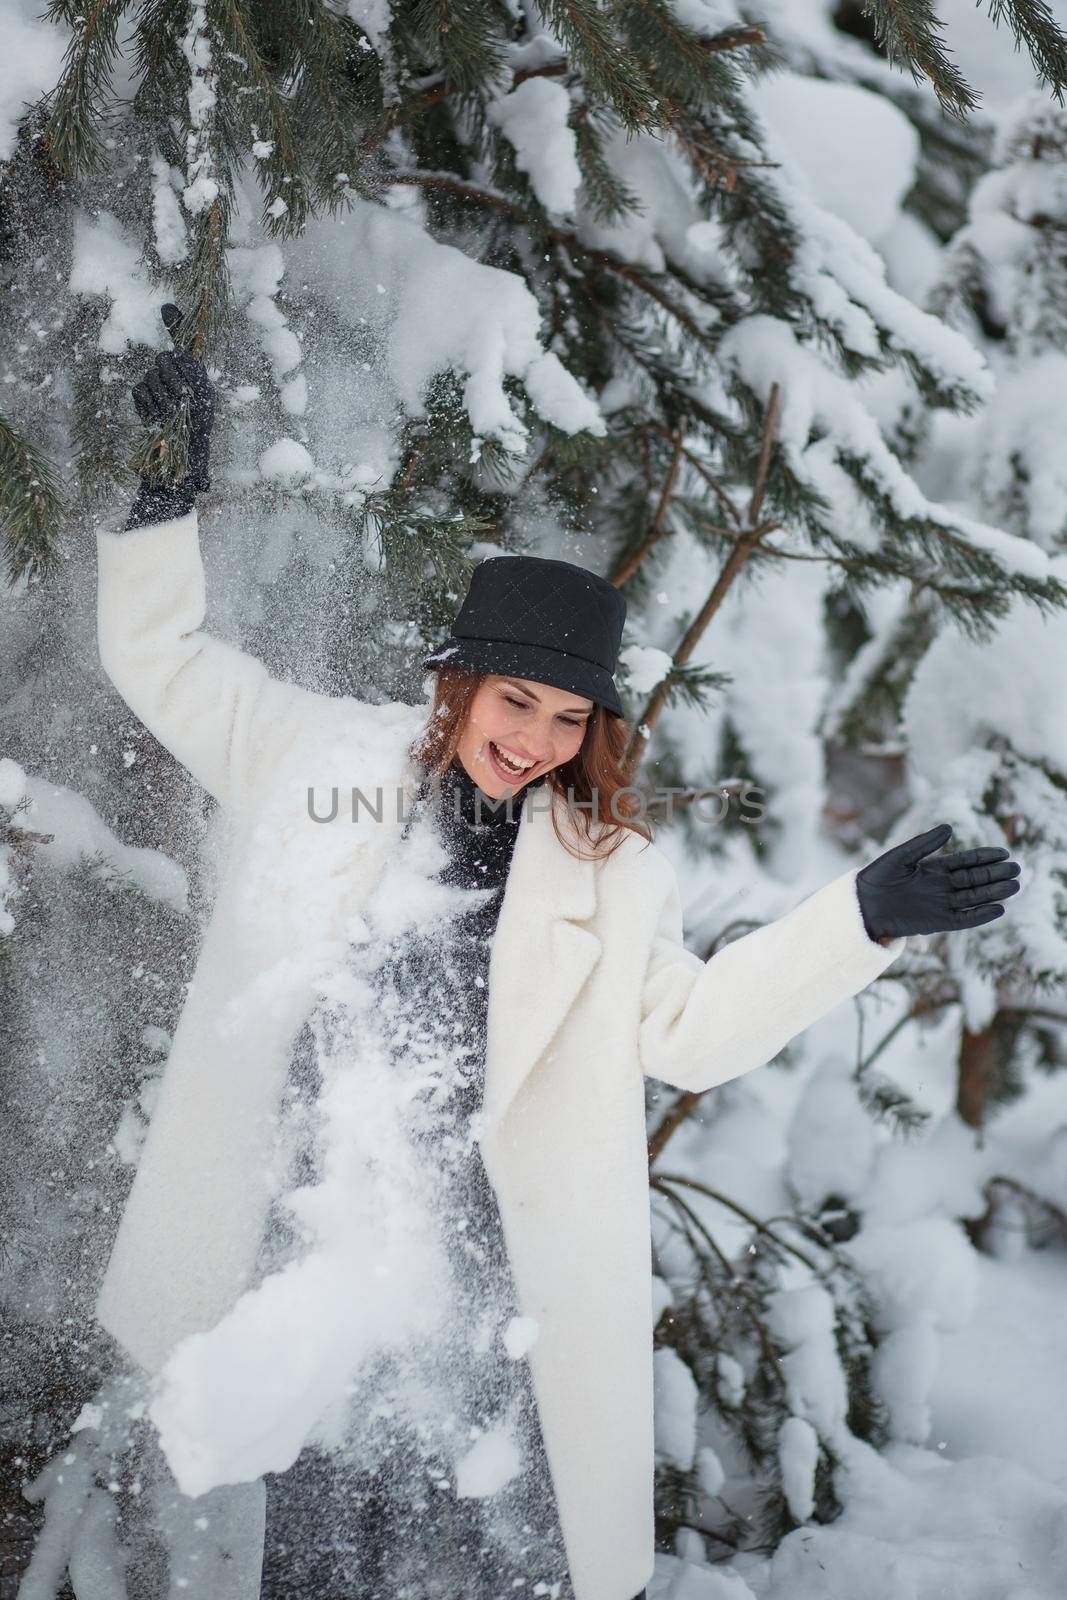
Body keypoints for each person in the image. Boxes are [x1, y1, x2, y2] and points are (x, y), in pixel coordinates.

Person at [92, 311, 1022, 1600]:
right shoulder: (309, 760)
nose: (531, 737)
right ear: (458, 684)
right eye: (513, 699)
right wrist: (159, 507)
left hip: (501, 1288)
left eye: (565, 714)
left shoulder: (607, 871)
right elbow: (158, 658)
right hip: (319, 1252)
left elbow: (687, 1030)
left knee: (503, 1564)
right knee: (315, 1562)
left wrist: (856, 920)